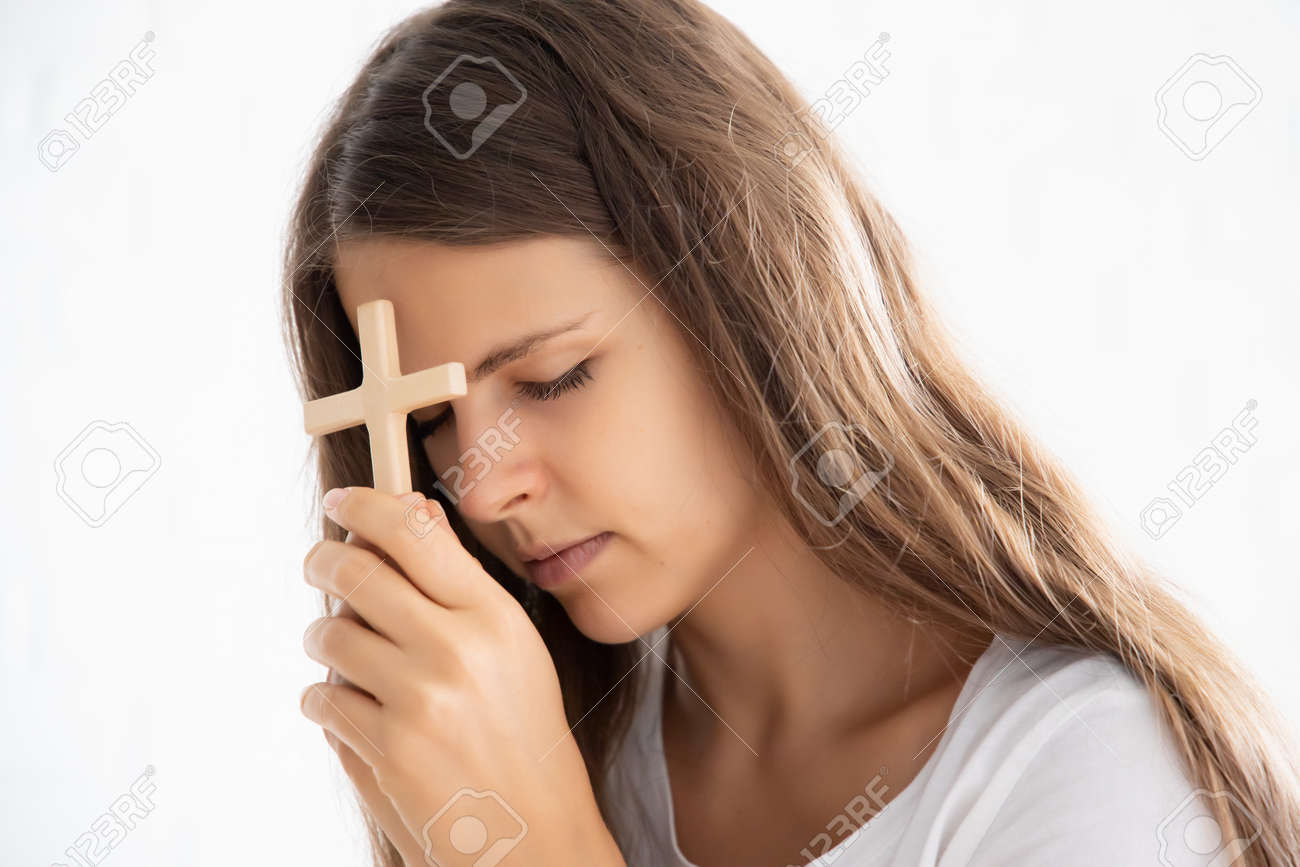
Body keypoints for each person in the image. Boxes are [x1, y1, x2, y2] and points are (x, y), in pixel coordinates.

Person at [281, 1, 1300, 864]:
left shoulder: (1086, 765)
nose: (479, 483)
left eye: (553, 378)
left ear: (745, 293)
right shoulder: (558, 736)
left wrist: (537, 839)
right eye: (426, 421)